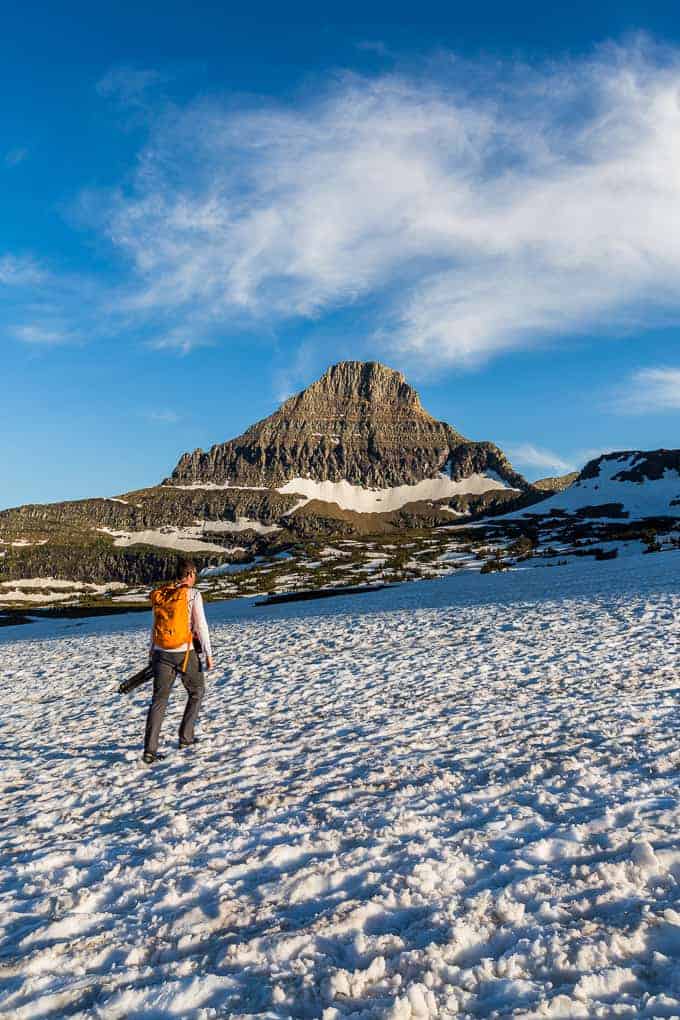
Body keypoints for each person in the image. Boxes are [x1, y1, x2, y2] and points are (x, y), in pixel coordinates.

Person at [143, 558, 214, 764]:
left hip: (160, 652)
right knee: (197, 691)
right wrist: (208, 654)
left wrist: (152, 650)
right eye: (195, 574)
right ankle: (186, 737)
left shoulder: (163, 594)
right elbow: (201, 626)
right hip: (184, 653)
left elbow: (156, 624)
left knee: (159, 699)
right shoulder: (192, 594)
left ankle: (150, 751)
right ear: (190, 574)